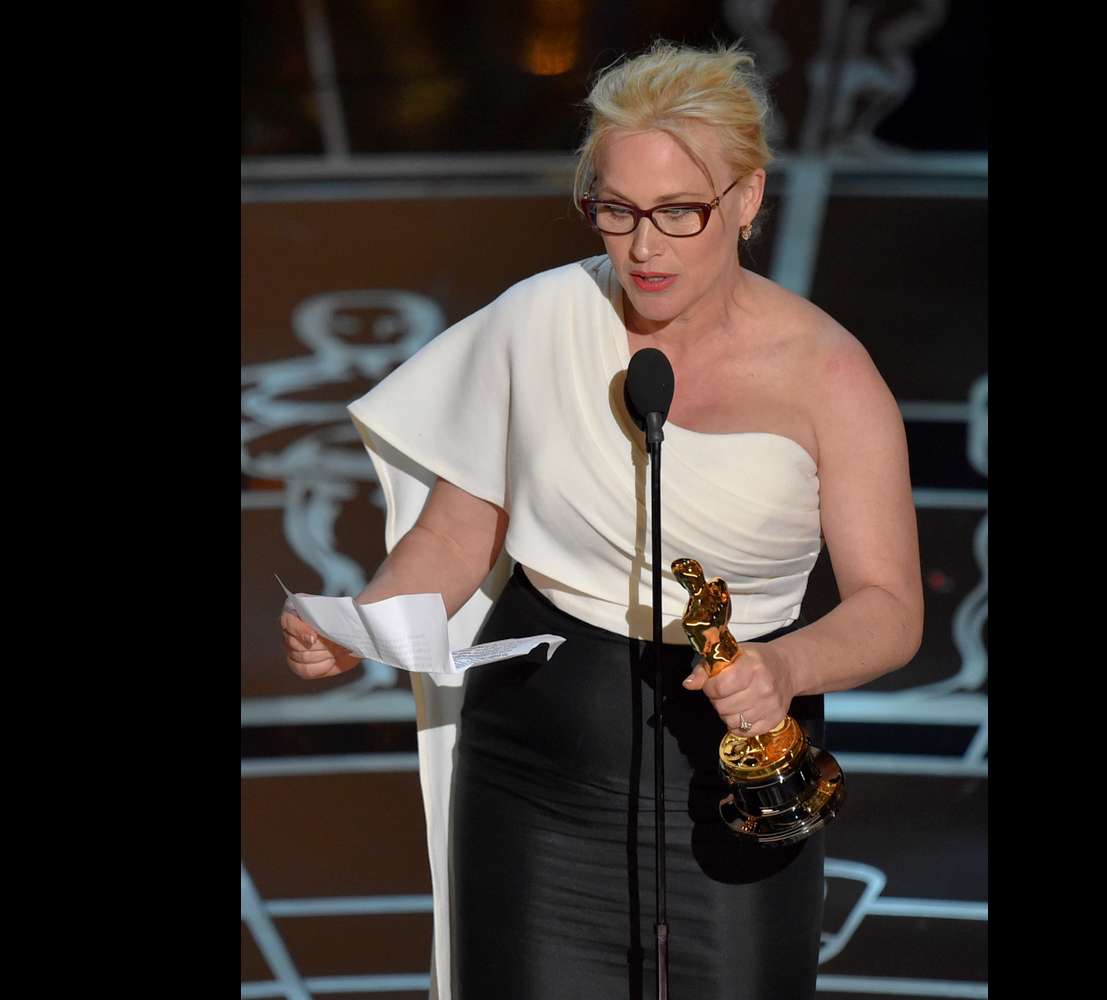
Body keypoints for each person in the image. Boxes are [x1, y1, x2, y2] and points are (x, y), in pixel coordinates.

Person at [280, 40, 923, 1000]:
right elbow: (460, 534)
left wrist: (784, 668)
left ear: (747, 199)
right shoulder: (541, 319)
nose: (644, 247)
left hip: (734, 767)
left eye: (678, 212)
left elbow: (890, 607)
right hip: (534, 770)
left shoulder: (831, 374)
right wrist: (365, 622)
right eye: (616, 211)